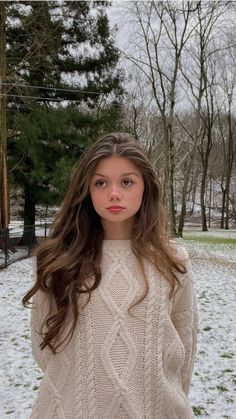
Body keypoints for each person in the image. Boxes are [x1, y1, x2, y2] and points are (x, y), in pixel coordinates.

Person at [23, 132, 198, 419]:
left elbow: (184, 350)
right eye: (100, 182)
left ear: (145, 188)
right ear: (87, 189)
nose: (113, 193)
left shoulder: (173, 261)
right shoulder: (59, 261)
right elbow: (44, 348)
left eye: (127, 182)